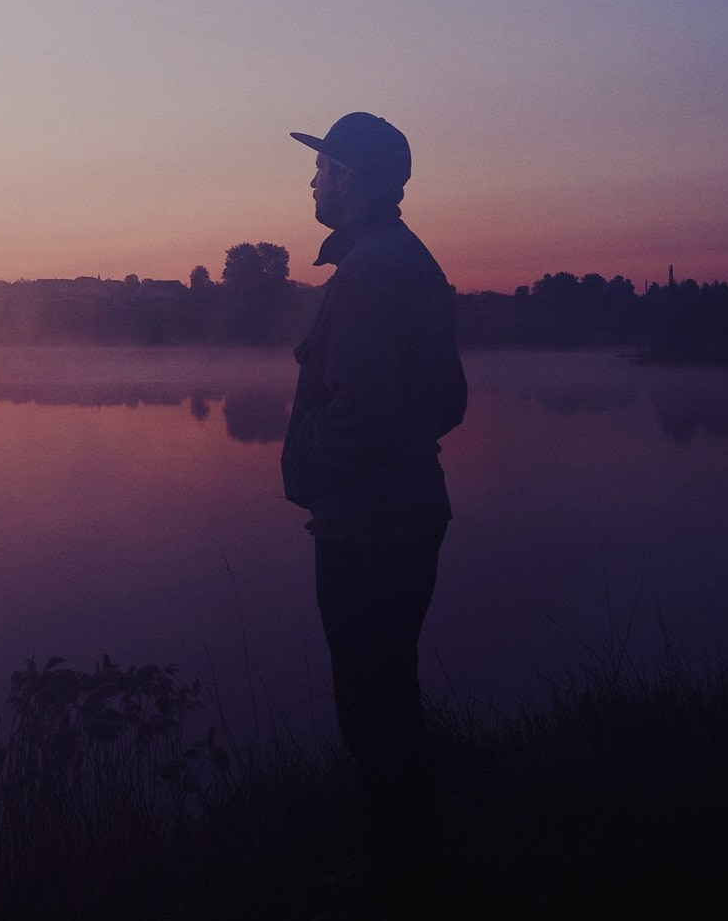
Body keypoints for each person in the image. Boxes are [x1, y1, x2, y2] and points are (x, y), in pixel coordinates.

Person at [281, 112, 467, 899]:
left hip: (369, 528)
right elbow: (450, 401)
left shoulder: (364, 276)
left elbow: (356, 411)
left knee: (371, 709)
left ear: (351, 180)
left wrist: (307, 473)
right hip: (409, 515)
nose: (312, 180)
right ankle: (412, 865)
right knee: (392, 693)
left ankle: (397, 880)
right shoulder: (411, 262)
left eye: (322, 168)